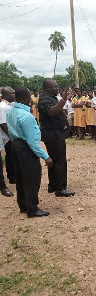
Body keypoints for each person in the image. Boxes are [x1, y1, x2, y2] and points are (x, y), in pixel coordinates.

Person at [6, 86, 53, 217]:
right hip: (26, 148)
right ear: (26, 98)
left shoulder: (11, 111)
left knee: (21, 177)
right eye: (30, 96)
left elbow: (10, 131)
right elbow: (32, 142)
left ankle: (23, 205)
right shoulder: (26, 116)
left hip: (16, 145)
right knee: (31, 178)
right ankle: (32, 208)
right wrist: (46, 156)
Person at [38, 78, 75, 197]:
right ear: (47, 88)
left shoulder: (51, 97)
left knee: (54, 160)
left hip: (56, 134)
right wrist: (64, 99)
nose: (57, 88)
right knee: (59, 161)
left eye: (57, 86)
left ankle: (53, 185)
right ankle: (60, 188)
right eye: (54, 86)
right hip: (53, 135)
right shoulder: (44, 99)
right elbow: (52, 112)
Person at [0, 87, 16, 185]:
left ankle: (14, 174)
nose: (14, 95)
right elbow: (2, 123)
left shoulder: (11, 105)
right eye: (12, 94)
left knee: (13, 155)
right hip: (7, 136)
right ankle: (12, 176)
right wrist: (10, 136)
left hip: (12, 134)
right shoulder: (2, 107)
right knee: (10, 155)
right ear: (5, 95)